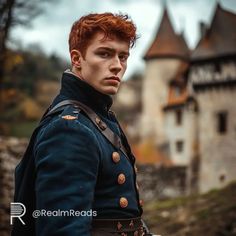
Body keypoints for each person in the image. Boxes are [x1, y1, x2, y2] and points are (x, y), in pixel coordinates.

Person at [12, 13, 153, 236]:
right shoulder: (70, 128)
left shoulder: (98, 118)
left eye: (123, 57)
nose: (117, 65)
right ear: (77, 59)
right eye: (105, 54)